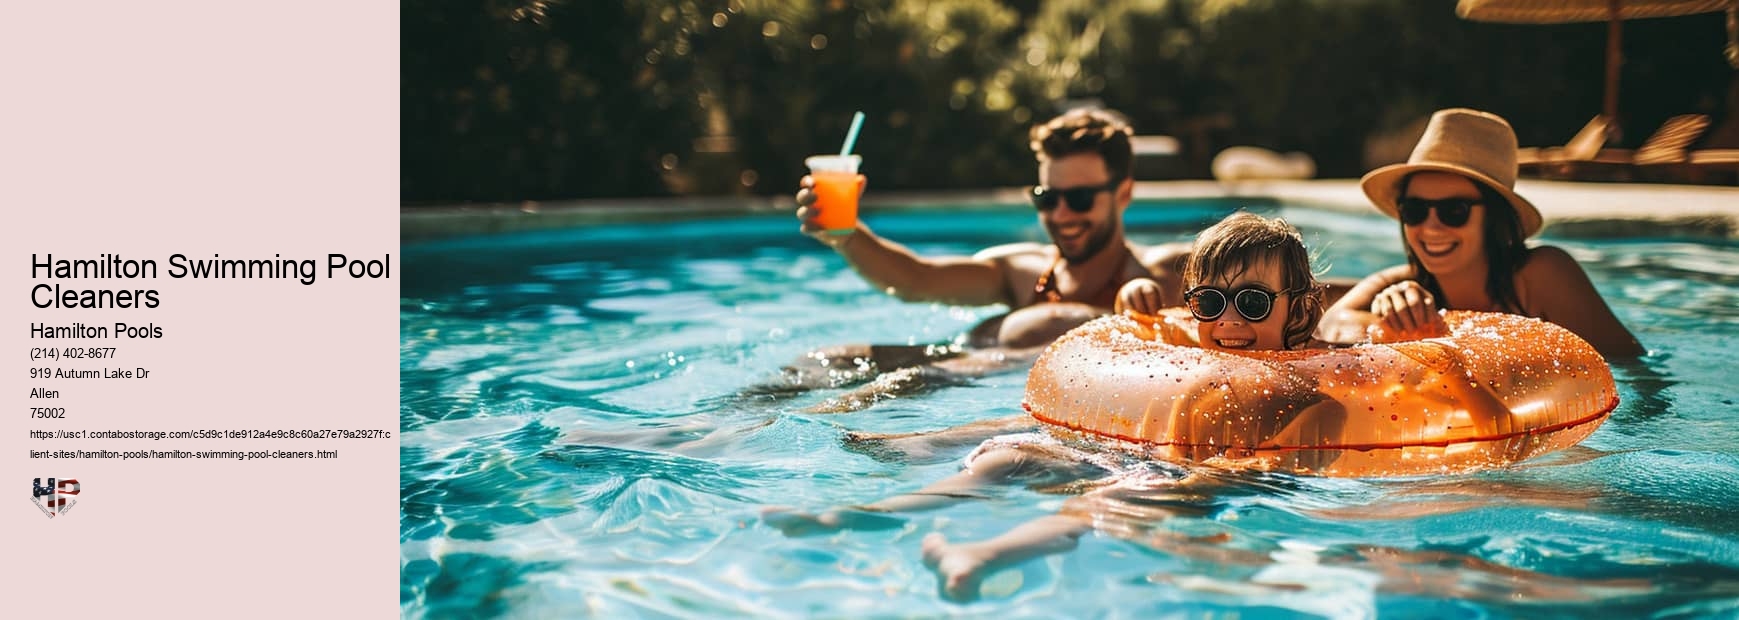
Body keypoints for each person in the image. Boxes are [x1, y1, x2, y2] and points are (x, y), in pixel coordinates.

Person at [769, 213, 1433, 600]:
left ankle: (985, 556)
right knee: (1013, 455)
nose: (1229, 321)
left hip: (1240, 471)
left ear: (1299, 310)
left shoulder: (1311, 362)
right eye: (1210, 303)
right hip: (1158, 445)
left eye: (1253, 304)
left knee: (1123, 493)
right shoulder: (1186, 349)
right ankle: (864, 515)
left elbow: (1335, 413)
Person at [763, 108, 1192, 411]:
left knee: (904, 383)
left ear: (1124, 194)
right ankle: (713, 426)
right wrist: (847, 236)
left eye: (1079, 198)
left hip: (983, 379)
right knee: (830, 358)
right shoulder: (1021, 270)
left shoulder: (1164, 274)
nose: (1061, 215)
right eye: (1047, 198)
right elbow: (917, 280)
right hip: (963, 360)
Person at [1318, 108, 1644, 357]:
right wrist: (1392, 320)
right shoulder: (1398, 284)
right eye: (1415, 210)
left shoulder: (1541, 275)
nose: (1431, 227)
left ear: (1493, 218)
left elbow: (1633, 369)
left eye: (1453, 211)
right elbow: (1330, 326)